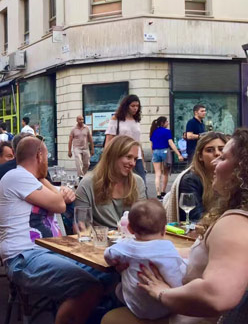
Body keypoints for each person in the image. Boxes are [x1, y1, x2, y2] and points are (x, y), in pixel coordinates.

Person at [103, 127, 248, 324]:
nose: (214, 161)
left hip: (186, 318)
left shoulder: (235, 223)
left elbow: (217, 295)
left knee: (110, 317)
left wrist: (162, 293)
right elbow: (212, 255)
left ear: (241, 170)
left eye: (222, 158)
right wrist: (143, 251)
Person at [0, 136, 108, 324]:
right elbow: (59, 205)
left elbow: (58, 198)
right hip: (24, 257)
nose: (48, 161)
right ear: (40, 155)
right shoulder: (17, 176)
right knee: (87, 287)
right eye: (47, 156)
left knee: (108, 273)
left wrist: (49, 184)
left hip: (52, 252)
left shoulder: (31, 179)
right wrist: (58, 193)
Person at [104, 199, 186, 320]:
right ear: (164, 229)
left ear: (130, 228)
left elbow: (108, 254)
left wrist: (113, 261)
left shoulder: (125, 246)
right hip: (164, 307)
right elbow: (177, 279)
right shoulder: (169, 251)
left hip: (135, 306)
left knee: (118, 288)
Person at [75, 135, 147, 228]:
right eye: (128, 157)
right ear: (113, 156)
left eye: (135, 159)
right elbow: (81, 225)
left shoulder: (137, 182)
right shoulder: (88, 183)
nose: (133, 163)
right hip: (100, 240)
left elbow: (143, 219)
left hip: (132, 239)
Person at [165, 132, 228, 222]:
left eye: (221, 149)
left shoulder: (234, 176)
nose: (217, 153)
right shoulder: (190, 179)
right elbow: (195, 217)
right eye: (210, 150)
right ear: (200, 156)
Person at [105, 94, 146, 185]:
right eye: (133, 106)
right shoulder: (116, 119)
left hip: (137, 157)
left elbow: (138, 141)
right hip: (122, 156)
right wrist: (107, 159)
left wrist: (143, 161)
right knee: (123, 184)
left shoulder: (136, 120)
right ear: (126, 106)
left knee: (141, 184)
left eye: (137, 106)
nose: (135, 108)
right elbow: (109, 140)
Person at [149, 116, 184, 199]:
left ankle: (158, 193)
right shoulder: (167, 132)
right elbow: (171, 143)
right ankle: (163, 191)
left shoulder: (153, 132)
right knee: (165, 174)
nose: (168, 123)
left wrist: (153, 153)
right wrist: (178, 154)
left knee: (157, 174)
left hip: (156, 152)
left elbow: (151, 144)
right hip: (165, 152)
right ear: (163, 123)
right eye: (167, 122)